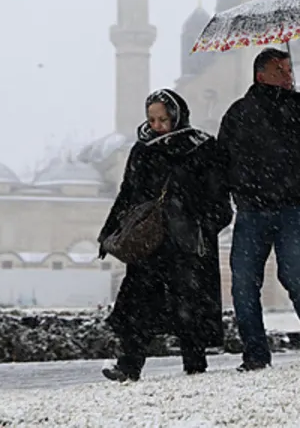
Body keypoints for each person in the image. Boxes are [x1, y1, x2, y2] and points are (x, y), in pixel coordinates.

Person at [218, 48, 300, 372]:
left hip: (295, 208)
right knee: (244, 282)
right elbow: (221, 162)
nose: (288, 75)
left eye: (289, 69)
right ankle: (255, 353)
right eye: (281, 70)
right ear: (261, 74)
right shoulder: (239, 113)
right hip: (252, 210)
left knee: (294, 275)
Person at [96, 89, 232, 382]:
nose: (157, 125)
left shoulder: (202, 147)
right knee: (139, 302)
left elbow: (220, 196)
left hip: (188, 243)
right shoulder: (143, 149)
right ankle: (129, 365)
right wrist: (110, 231)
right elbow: (129, 193)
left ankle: (195, 366)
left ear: (177, 116)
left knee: (189, 305)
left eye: (163, 119)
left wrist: (202, 226)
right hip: (151, 242)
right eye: (152, 119)